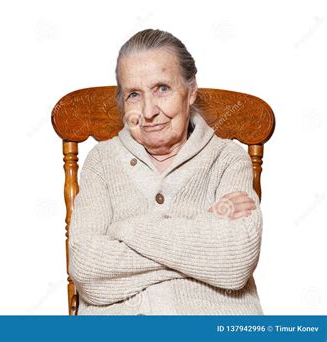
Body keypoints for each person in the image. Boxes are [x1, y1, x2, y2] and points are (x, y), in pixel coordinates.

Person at [68, 29, 263, 315]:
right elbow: (86, 270)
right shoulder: (102, 161)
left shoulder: (227, 159)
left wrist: (125, 229)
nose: (148, 112)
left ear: (191, 90)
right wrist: (201, 237)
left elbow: (234, 262)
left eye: (162, 88)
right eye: (134, 94)